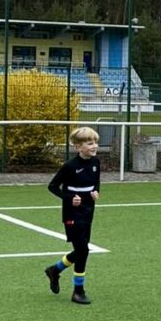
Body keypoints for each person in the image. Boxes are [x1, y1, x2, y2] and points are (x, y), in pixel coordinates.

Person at [44, 127, 101, 305]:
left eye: (95, 143)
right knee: (83, 250)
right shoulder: (70, 166)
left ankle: (55, 270)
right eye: (89, 143)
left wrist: (96, 193)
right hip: (72, 213)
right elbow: (52, 186)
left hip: (88, 211)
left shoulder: (96, 162)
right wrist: (69, 199)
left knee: (81, 250)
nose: (94, 146)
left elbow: (96, 182)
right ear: (78, 147)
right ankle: (78, 291)